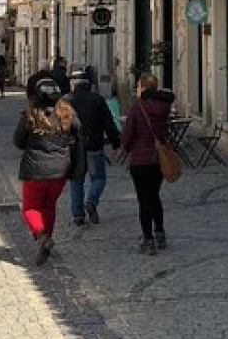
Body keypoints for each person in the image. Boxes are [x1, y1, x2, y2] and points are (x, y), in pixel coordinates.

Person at [12, 76, 84, 265]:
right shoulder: (68, 113)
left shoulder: (31, 116)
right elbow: (79, 132)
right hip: (60, 170)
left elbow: (18, 142)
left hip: (35, 171)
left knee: (30, 208)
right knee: (49, 206)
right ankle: (46, 240)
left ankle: (42, 237)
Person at [120, 73, 175, 255]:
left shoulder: (138, 106)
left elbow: (128, 134)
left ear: (142, 87)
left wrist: (124, 148)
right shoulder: (164, 106)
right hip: (158, 158)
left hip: (140, 160)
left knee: (144, 200)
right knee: (154, 196)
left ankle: (148, 239)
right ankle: (160, 233)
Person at [67, 69, 120, 226]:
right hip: (94, 145)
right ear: (89, 84)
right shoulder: (97, 100)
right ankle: (91, 201)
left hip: (74, 148)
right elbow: (109, 124)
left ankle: (77, 215)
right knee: (98, 178)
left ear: (73, 85)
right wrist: (116, 142)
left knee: (76, 180)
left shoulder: (66, 101)